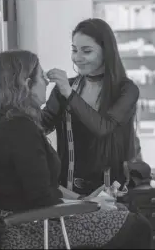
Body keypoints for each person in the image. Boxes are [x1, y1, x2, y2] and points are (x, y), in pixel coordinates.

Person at [0, 50, 152, 249]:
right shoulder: (20, 130)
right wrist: (91, 206)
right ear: (26, 84)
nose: (47, 82)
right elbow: (42, 199)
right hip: (30, 231)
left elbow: (43, 187)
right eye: (42, 77)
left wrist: (84, 199)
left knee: (118, 213)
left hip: (22, 224)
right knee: (136, 225)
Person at [42, 18, 140, 196]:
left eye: (86, 51)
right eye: (74, 50)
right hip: (70, 194)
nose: (77, 58)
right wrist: (24, 94)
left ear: (106, 52)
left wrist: (69, 93)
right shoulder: (64, 90)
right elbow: (41, 126)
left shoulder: (127, 90)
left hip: (112, 192)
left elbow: (103, 127)